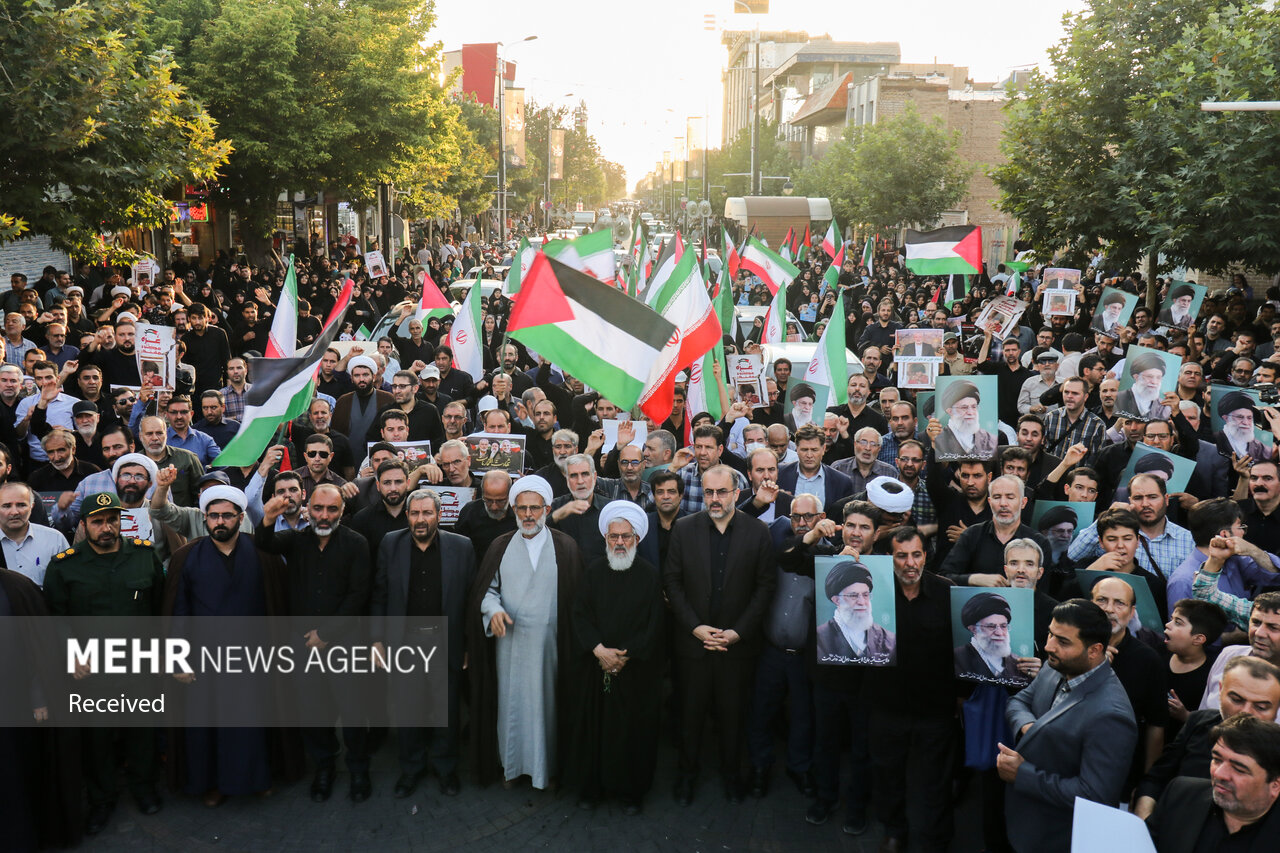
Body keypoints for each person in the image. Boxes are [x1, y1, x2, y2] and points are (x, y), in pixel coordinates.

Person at [43, 492, 166, 835]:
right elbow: (55, 617)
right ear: (83, 525)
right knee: (97, 739)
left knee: (141, 734)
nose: (106, 527)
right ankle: (102, 799)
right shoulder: (65, 565)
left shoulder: (144, 557)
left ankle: (144, 788)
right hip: (91, 673)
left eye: (112, 520)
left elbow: (159, 609)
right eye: (97, 522)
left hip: (138, 666)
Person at [163, 485, 289, 806]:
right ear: (205, 517)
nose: (220, 521)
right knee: (211, 728)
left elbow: (278, 605)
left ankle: (257, 779)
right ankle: (213, 784)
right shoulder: (186, 556)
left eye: (227, 516)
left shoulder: (262, 552)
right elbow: (178, 612)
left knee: (253, 723)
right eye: (214, 515)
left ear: (240, 517)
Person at [664, 464, 775, 805]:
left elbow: (764, 587)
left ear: (736, 494)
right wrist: (695, 628)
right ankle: (686, 776)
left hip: (735, 647)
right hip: (693, 645)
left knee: (733, 717)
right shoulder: (684, 529)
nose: (714, 499)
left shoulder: (758, 532)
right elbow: (672, 582)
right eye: (709, 492)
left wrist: (738, 632)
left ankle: (731, 774)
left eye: (721, 492)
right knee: (690, 717)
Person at [257, 484, 373, 803]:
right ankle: (324, 767)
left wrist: (327, 634)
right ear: (308, 508)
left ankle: (358, 768)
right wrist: (267, 518)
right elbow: (264, 543)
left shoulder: (356, 543)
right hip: (303, 644)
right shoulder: (296, 540)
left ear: (342, 512)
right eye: (319, 509)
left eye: (332, 509)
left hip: (343, 641)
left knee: (352, 710)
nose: (324, 515)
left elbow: (358, 595)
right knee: (312, 710)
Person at [469, 475, 584, 790]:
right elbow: (486, 591)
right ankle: (512, 767)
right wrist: (493, 611)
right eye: (522, 509)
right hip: (510, 647)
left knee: (547, 710)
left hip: (551, 648)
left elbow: (576, 602)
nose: (529, 515)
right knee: (511, 707)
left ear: (547, 508)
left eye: (535, 508)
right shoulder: (500, 545)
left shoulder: (566, 547)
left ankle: (545, 770)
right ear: (513, 509)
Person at [999, 599, 1139, 853]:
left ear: (1095, 650)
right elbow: (1019, 701)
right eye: (1051, 634)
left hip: (1059, 839)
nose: (1048, 646)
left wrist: (1023, 775)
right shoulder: (1057, 666)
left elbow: (1094, 797)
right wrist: (1030, 726)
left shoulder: (1111, 716)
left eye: (1062, 641)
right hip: (1026, 828)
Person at [370, 488, 475, 798]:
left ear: (439, 516)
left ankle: (446, 769)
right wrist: (377, 639)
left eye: (427, 513)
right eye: (414, 513)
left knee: (447, 710)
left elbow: (471, 598)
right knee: (408, 709)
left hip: (446, 640)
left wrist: (469, 644)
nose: (420, 519)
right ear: (407, 515)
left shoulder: (462, 546)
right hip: (405, 642)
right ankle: (411, 769)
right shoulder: (391, 544)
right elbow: (380, 594)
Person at [566, 501, 665, 814]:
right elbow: (579, 614)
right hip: (596, 668)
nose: (619, 542)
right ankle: (591, 789)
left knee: (633, 735)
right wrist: (598, 650)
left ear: (636, 539)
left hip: (635, 673)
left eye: (625, 537)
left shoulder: (649, 576)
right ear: (605, 539)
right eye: (613, 537)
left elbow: (655, 624)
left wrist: (626, 656)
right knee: (593, 732)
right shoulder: (593, 571)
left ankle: (630, 793)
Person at [864, 527, 957, 852]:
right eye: (901, 555)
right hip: (887, 707)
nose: (909, 563)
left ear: (926, 555)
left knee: (935, 781)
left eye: (916, 554)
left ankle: (934, 839)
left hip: (936, 710)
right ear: (889, 558)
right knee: (887, 775)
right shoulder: (872, 594)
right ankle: (894, 831)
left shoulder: (947, 594)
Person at [1134, 655, 1280, 819]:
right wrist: (1144, 819)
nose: (1246, 712)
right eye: (1236, 699)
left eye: (1260, 707)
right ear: (1220, 690)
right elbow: (1156, 779)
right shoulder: (1198, 723)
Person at [1146, 714, 1280, 850]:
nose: (1219, 774)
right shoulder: (1180, 796)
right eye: (1217, 759)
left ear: (1275, 785)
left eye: (1239, 769)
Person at [815, 559, 896, 665]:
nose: (862, 602)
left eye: (865, 595)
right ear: (837, 600)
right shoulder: (820, 639)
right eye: (853, 595)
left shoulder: (890, 641)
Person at [954, 592, 1024, 684]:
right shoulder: (957, 657)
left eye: (1003, 626)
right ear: (973, 629)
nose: (999, 633)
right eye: (991, 626)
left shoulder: (1018, 662)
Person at [934, 380, 997, 460]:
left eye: (974, 407)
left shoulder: (991, 440)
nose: (971, 412)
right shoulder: (937, 440)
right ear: (950, 411)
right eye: (964, 407)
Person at [1116, 352, 1172, 420]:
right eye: (1149, 376)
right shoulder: (1119, 398)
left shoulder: (1164, 405)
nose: (1154, 382)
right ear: (1136, 377)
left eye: (1158, 377)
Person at [1217, 392, 1271, 464]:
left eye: (1249, 418)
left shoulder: (1262, 449)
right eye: (1240, 417)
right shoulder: (1215, 440)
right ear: (1226, 418)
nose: (1245, 422)